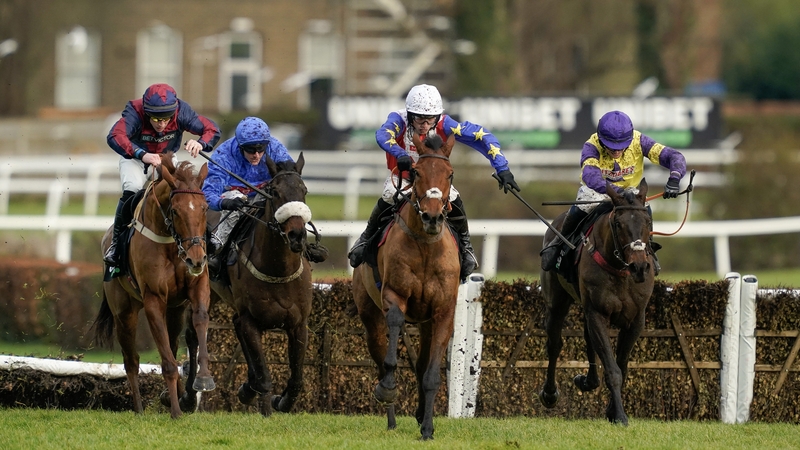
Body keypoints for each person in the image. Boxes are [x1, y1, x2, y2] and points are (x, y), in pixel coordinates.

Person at [347, 83, 520, 282]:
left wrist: (502, 168)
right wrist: (400, 154)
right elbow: (383, 135)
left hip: (433, 181)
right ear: (410, 114)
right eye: (419, 118)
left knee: (455, 198)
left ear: (437, 116)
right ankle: (366, 237)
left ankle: (466, 246)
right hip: (402, 176)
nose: (424, 124)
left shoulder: (446, 124)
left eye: (429, 119)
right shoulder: (398, 119)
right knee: (388, 195)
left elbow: (483, 136)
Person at [540, 110, 686, 274]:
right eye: (611, 147)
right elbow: (591, 176)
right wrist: (617, 193)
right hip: (598, 191)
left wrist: (674, 178)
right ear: (601, 139)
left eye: (621, 146)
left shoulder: (640, 141)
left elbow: (675, 156)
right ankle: (558, 244)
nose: (616, 151)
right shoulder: (592, 145)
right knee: (581, 208)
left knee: (644, 212)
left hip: (631, 192)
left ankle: (648, 249)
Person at [104, 83, 220, 267]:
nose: (162, 124)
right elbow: (115, 136)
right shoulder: (136, 111)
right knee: (132, 190)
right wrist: (142, 154)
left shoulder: (182, 111)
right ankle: (116, 244)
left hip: (166, 159)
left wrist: (201, 143)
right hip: (135, 159)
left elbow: (211, 129)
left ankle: (208, 236)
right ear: (146, 112)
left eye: (166, 119)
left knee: (188, 193)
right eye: (156, 119)